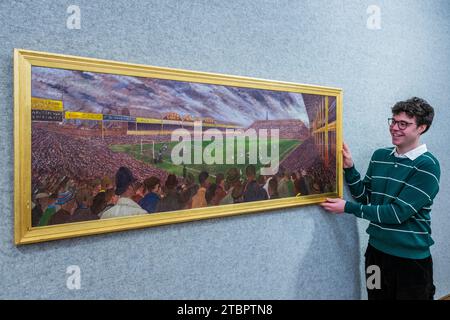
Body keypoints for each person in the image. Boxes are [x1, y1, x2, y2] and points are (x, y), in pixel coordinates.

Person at [321, 97, 440, 300]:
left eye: (404, 124)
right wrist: (350, 169)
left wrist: (347, 208)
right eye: (393, 121)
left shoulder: (427, 166)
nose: (395, 128)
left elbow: (396, 213)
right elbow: (366, 198)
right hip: (375, 254)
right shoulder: (379, 156)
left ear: (422, 128)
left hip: (410, 262)